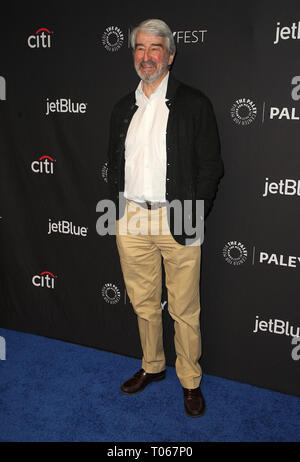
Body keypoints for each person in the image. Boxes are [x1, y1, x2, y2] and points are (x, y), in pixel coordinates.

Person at [107, 18, 223, 417]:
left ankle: (190, 381)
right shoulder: (124, 107)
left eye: (155, 48)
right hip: (132, 218)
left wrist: (196, 209)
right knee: (143, 302)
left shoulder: (194, 103)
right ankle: (152, 366)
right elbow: (113, 163)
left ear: (170, 56)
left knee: (184, 308)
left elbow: (211, 166)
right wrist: (120, 213)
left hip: (180, 217)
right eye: (140, 48)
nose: (146, 56)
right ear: (133, 55)